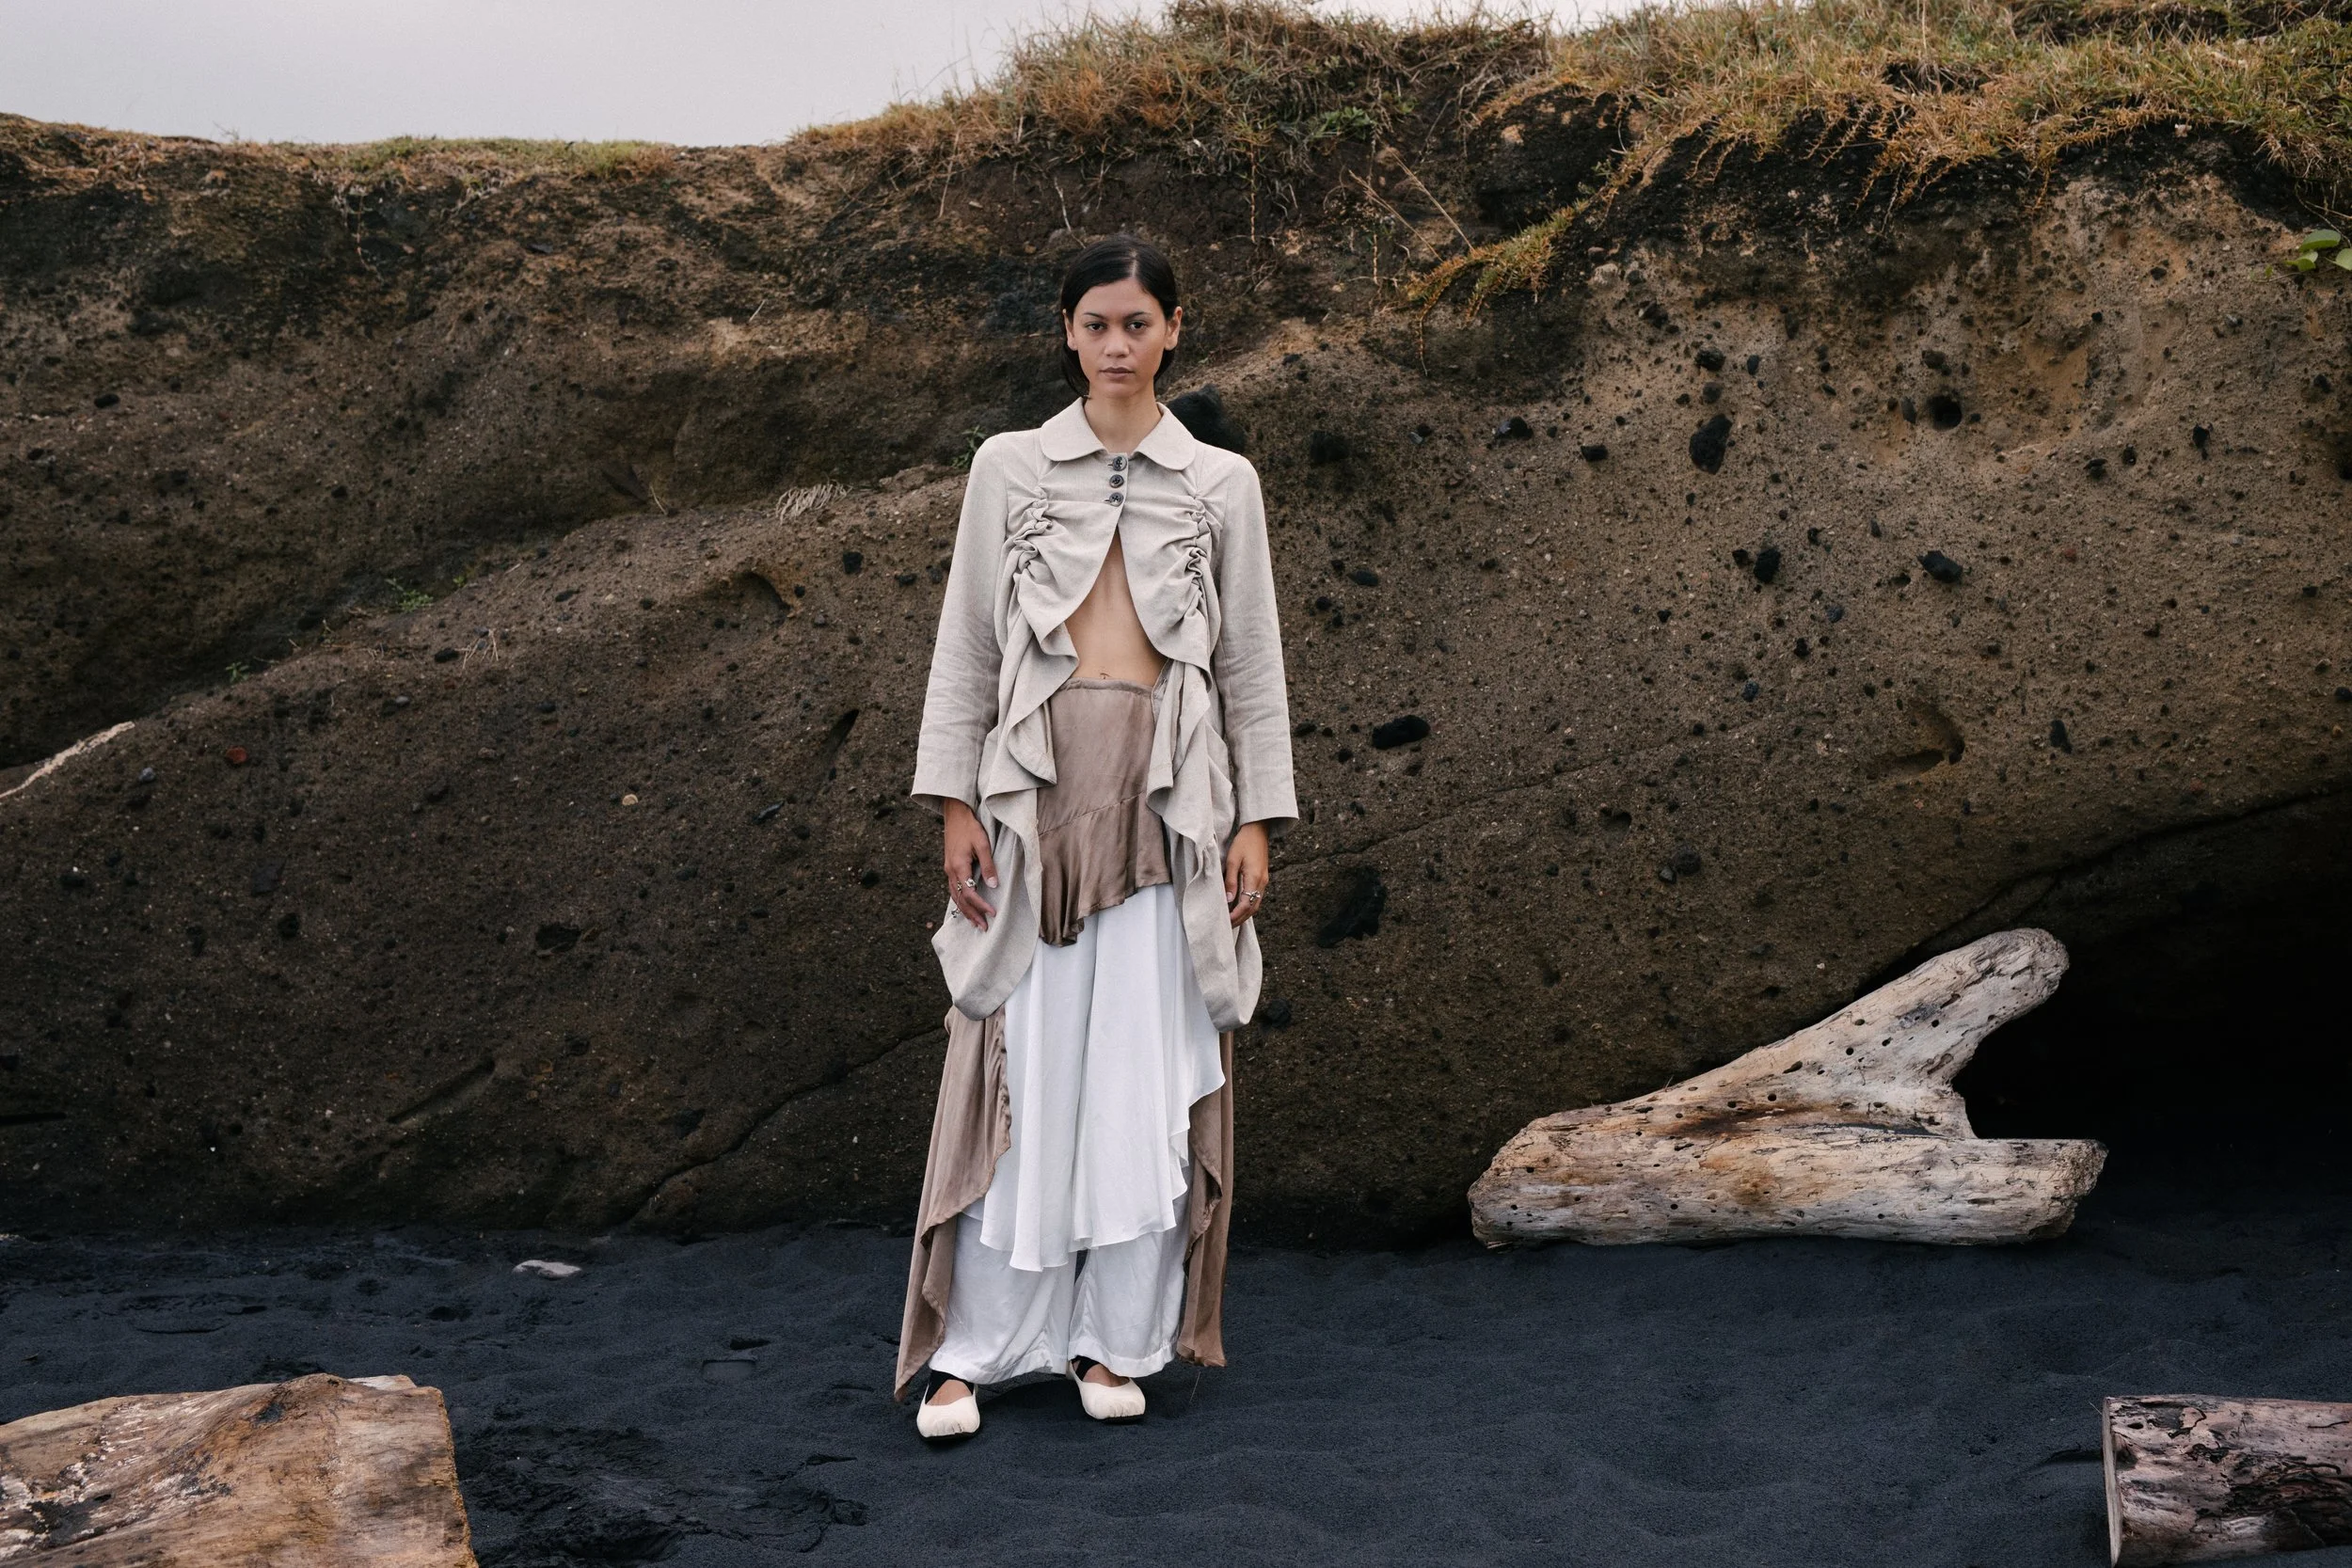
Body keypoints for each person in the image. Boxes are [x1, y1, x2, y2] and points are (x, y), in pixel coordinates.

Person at [894, 234, 1295, 1440]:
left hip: (1172, 805)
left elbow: (1251, 665)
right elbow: (965, 643)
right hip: (1032, 797)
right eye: (1094, 323)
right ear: (1065, 333)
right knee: (1024, 1060)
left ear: (1175, 327)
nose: (1116, 345)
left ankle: (1110, 1340)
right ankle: (974, 1349)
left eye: (1137, 322)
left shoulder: (1222, 482)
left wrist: (1258, 824)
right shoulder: (1007, 467)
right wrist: (956, 803)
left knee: (1134, 1069)